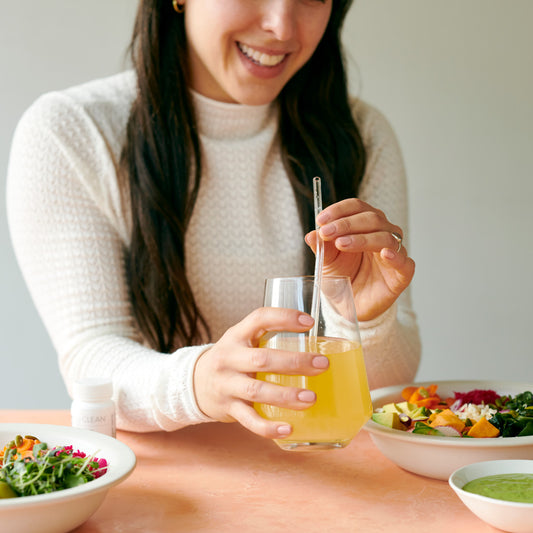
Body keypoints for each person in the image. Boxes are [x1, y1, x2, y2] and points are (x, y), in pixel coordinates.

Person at [6, 0, 421, 439]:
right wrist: (197, 381)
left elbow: (387, 387)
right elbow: (91, 362)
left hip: (322, 467)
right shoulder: (71, 132)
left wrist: (367, 323)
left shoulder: (361, 135)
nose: (281, 27)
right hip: (163, 471)